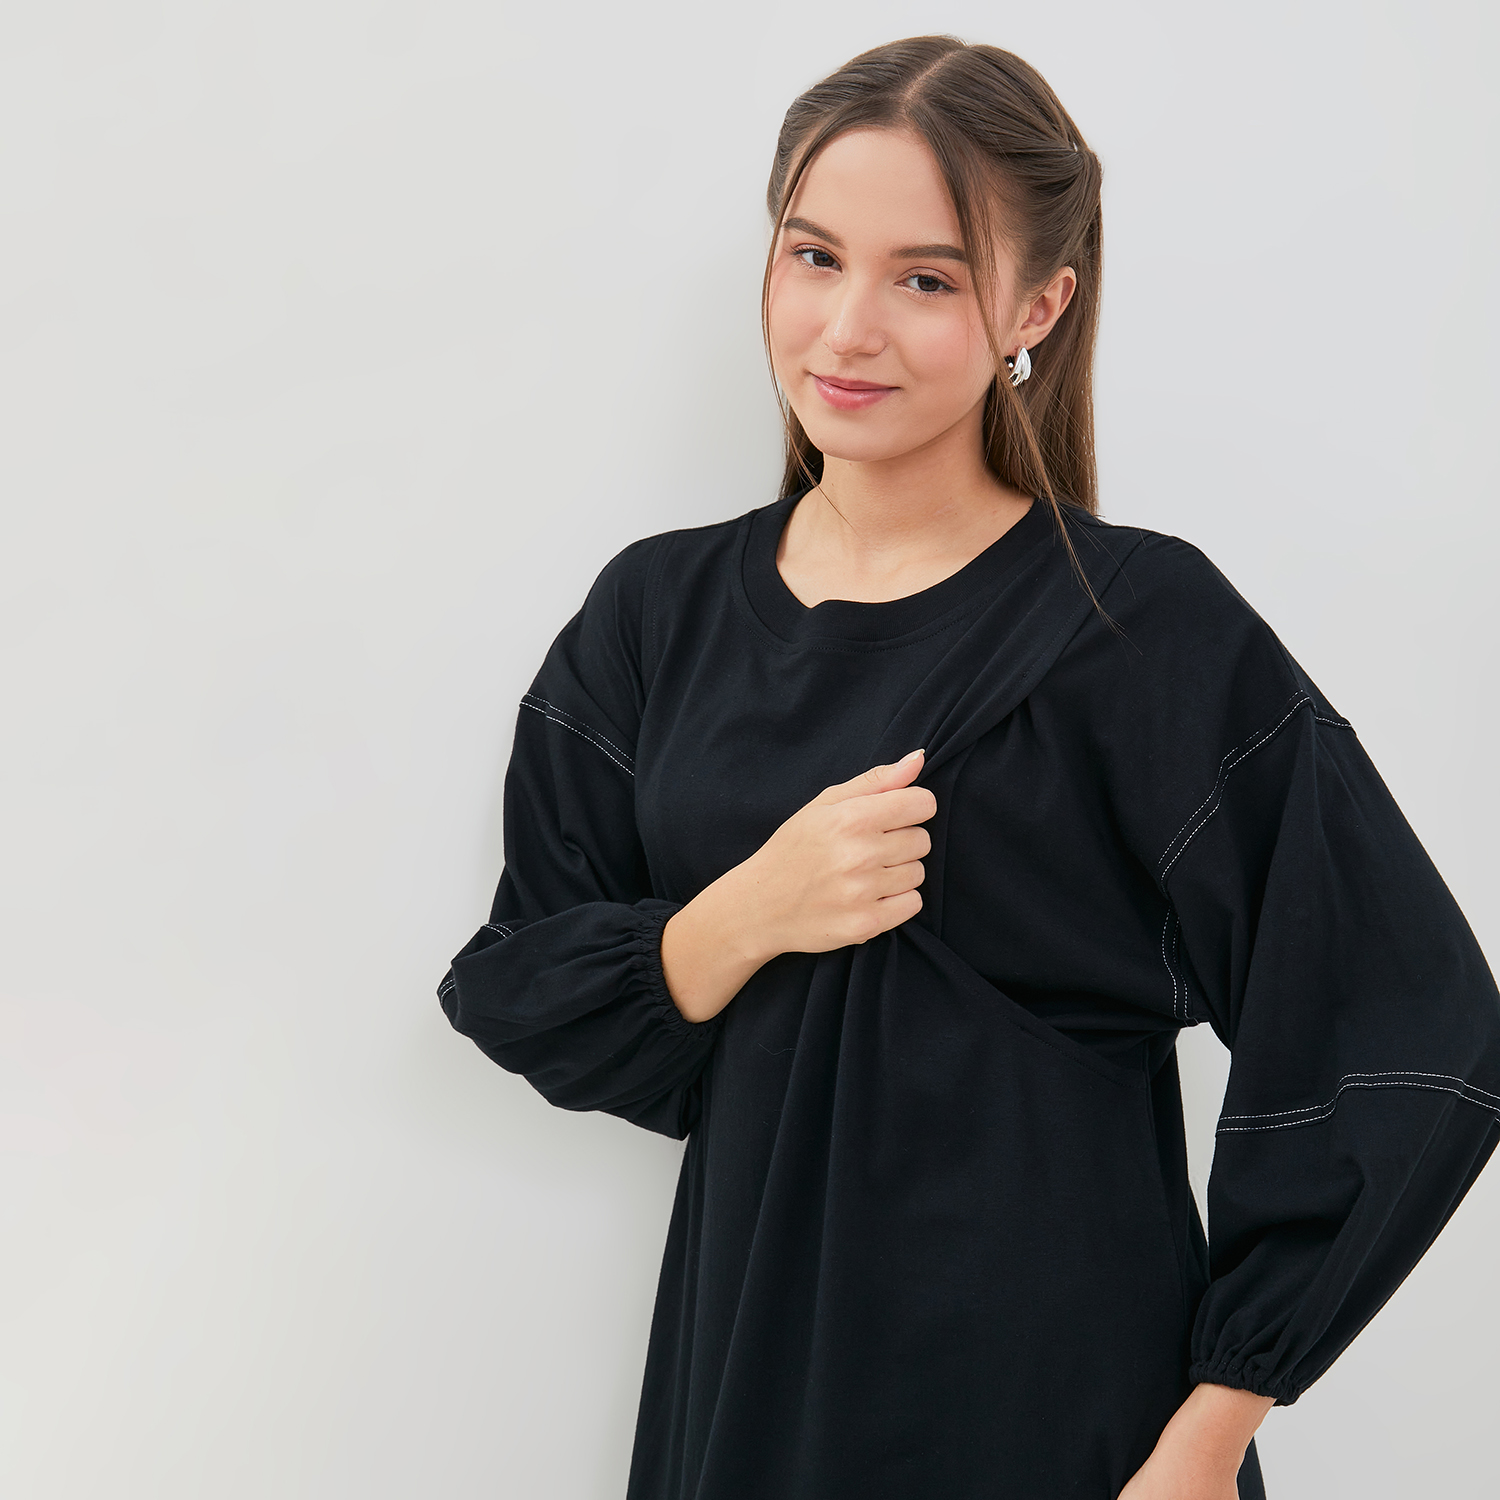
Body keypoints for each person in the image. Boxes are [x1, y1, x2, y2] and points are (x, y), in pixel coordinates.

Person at [436, 34, 1500, 1499]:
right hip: (754, 1391)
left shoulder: (1139, 624)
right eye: (814, 256)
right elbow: (523, 987)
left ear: (1036, 306)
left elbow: (1408, 1021)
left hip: (1073, 1417)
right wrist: (755, 907)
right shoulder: (656, 614)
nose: (847, 328)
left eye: (925, 279)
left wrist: (1210, 1435)